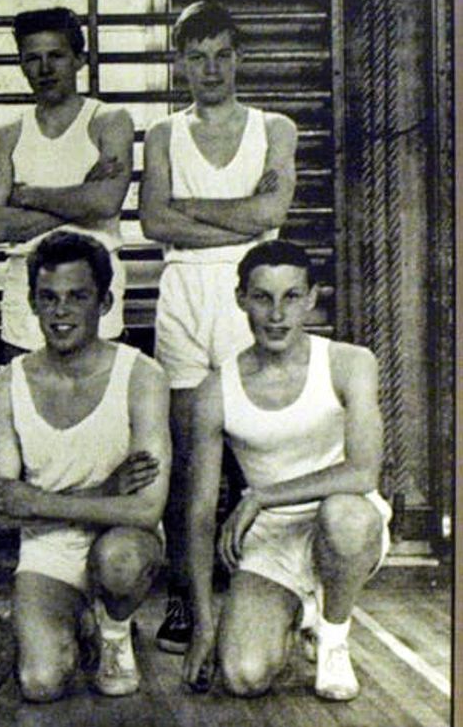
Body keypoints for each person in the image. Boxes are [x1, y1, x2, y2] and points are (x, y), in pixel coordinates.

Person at [138, 0, 298, 652]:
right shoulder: (161, 134)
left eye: (223, 55)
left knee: (258, 452)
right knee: (182, 460)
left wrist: (191, 206)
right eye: (198, 58)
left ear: (239, 57)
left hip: (251, 289)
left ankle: (272, 587)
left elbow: (275, 211)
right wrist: (244, 213)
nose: (211, 69)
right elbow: (155, 222)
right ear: (181, 64)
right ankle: (184, 595)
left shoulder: (275, 128)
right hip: (183, 291)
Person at [181, 240, 391, 701]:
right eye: (262, 297)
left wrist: (260, 497)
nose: (277, 314)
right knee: (242, 677)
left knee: (346, 515)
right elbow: (197, 515)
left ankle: (334, 637)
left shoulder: (350, 363)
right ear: (241, 300)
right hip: (272, 540)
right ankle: (300, 613)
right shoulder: (215, 392)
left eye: (291, 296)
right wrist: (203, 626)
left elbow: (362, 474)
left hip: (343, 527)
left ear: (312, 298)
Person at [0, 230, 170, 701]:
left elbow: (146, 510)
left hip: (121, 540)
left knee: (120, 562)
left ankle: (114, 629)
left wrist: (38, 502)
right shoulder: (6, 384)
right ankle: (78, 619)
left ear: (105, 303)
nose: (61, 311)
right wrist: (106, 491)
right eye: (48, 298)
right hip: (47, 548)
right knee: (40, 683)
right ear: (31, 303)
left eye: (77, 297)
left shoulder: (142, 376)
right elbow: (5, 510)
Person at [0, 7, 135, 354]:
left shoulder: (108, 120)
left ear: (79, 59)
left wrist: (28, 196)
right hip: (26, 288)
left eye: (57, 56)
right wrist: (80, 200)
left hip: (94, 280)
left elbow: (105, 202)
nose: (45, 69)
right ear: (22, 64)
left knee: (98, 397)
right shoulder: (9, 134)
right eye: (33, 59)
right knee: (25, 399)